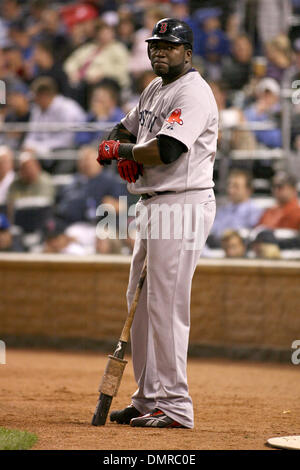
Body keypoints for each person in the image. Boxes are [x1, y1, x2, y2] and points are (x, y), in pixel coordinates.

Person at [97, 18, 218, 429]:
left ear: (188, 52)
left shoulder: (194, 92)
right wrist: (124, 151)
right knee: (140, 302)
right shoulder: (154, 88)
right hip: (153, 204)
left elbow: (166, 150)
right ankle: (148, 398)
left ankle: (176, 405)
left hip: (183, 203)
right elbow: (123, 128)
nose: (159, 51)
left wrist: (123, 150)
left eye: (169, 45)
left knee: (165, 305)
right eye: (155, 45)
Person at [209, 169, 263, 243]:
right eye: (229, 186)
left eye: (236, 186)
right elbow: (213, 231)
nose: (230, 190)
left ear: (248, 190)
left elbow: (252, 236)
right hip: (218, 246)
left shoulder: (255, 211)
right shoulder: (223, 210)